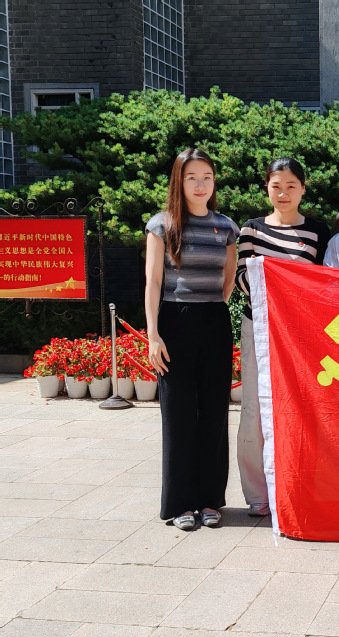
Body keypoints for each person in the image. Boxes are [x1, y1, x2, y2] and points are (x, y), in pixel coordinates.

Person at [144, 148, 239, 531]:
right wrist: (153, 334)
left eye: (207, 177)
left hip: (214, 322)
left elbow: (228, 279)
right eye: (192, 178)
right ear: (179, 182)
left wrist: (212, 312)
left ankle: (210, 499)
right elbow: (153, 282)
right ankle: (180, 503)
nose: (200, 185)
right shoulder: (161, 225)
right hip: (174, 323)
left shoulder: (226, 227)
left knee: (214, 413)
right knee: (179, 415)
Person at [234, 158, 331, 517]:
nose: (283, 193)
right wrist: (281, 285)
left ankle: (299, 485)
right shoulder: (252, 229)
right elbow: (242, 280)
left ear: (303, 188)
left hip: (302, 332)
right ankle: (257, 495)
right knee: (253, 409)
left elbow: (323, 284)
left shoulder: (318, 232)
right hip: (258, 328)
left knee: (303, 407)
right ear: (267, 188)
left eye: (291, 185)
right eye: (276, 186)